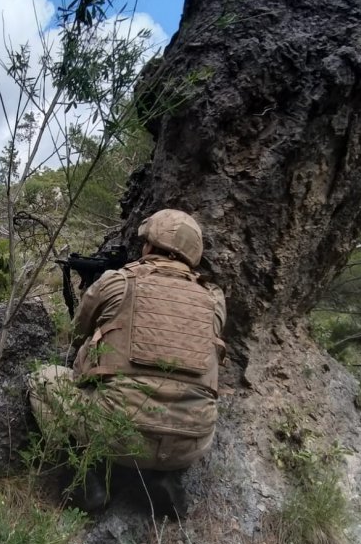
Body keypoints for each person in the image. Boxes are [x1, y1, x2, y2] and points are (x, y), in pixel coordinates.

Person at [28, 209, 226, 518]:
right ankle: (162, 476)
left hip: (119, 436)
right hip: (191, 443)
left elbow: (77, 332)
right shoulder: (214, 299)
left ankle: (85, 479)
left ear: (148, 246)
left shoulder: (118, 282)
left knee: (42, 379)